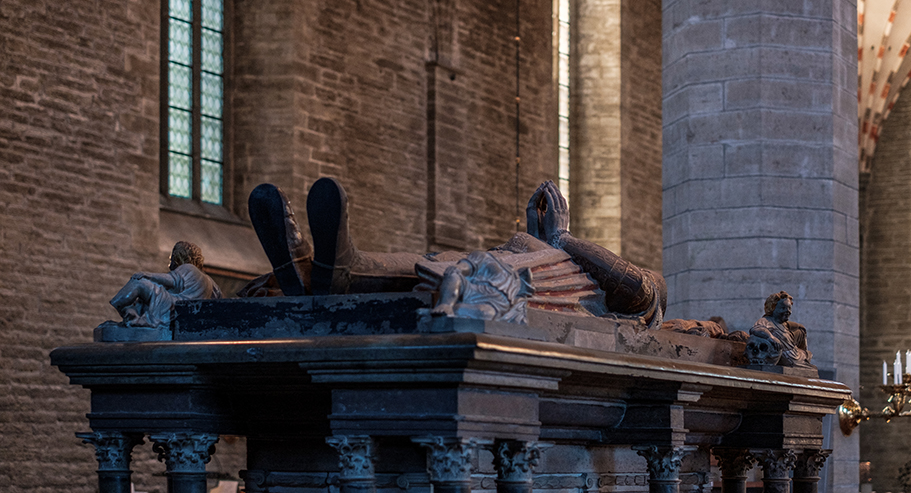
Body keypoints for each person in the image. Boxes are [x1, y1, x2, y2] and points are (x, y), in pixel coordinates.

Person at [244, 178, 667, 327]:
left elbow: (638, 285)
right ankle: (317, 271)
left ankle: (338, 271)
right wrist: (544, 237)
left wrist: (564, 238)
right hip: (512, 262)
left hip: (522, 280)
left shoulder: (643, 300)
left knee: (445, 275)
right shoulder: (578, 266)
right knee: (435, 265)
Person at [110, 241, 221, 327]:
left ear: (179, 257)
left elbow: (171, 279)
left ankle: (122, 307)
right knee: (144, 298)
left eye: (171, 258)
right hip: (188, 314)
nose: (169, 264)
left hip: (173, 307)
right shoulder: (212, 283)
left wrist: (146, 275)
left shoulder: (188, 267)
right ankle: (132, 316)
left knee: (139, 283)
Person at [748, 291, 812, 367]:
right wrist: (771, 337)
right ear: (772, 308)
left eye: (789, 308)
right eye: (783, 308)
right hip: (788, 358)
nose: (788, 311)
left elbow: (798, 326)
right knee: (808, 356)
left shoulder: (783, 324)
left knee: (801, 331)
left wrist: (801, 327)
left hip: (794, 353)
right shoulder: (766, 321)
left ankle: (803, 359)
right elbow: (756, 329)